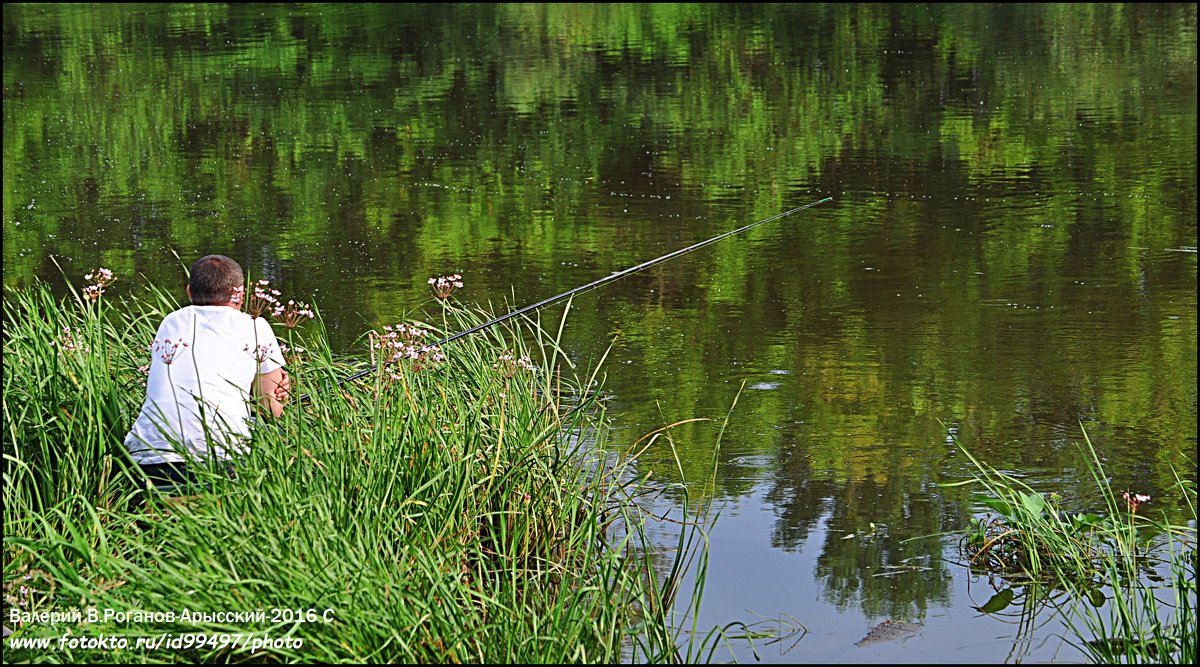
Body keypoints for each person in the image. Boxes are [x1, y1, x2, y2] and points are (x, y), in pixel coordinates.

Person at [123, 255, 290, 493]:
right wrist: (281, 388)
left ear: (190, 292)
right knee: (275, 432)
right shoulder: (255, 326)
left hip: (150, 456)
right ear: (240, 294)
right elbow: (270, 409)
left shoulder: (170, 322)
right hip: (220, 458)